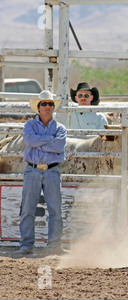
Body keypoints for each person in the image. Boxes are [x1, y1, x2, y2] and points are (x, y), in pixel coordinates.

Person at [14, 90, 67, 256]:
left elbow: (58, 147)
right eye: (44, 104)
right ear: (38, 108)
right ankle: (27, 245)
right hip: (33, 169)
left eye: (50, 104)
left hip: (50, 170)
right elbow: (30, 141)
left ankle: (53, 246)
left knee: (55, 210)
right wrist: (49, 141)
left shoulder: (59, 127)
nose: (47, 106)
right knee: (28, 209)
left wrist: (39, 143)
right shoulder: (31, 125)